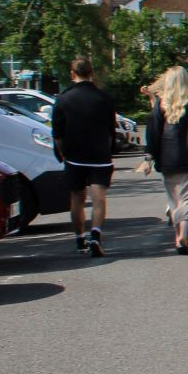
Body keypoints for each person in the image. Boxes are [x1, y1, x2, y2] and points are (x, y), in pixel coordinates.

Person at [51, 57, 118, 257]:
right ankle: (96, 235)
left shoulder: (63, 99)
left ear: (72, 74)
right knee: (99, 198)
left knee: (77, 199)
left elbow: (57, 133)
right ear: (92, 73)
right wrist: (109, 149)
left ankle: (80, 239)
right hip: (99, 154)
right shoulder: (103, 98)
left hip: (74, 156)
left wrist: (62, 153)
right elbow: (110, 129)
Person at [146, 65, 188, 254]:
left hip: (167, 158)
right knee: (187, 197)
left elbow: (153, 133)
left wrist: (150, 155)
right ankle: (183, 235)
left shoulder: (161, 104)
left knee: (174, 198)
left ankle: (178, 238)